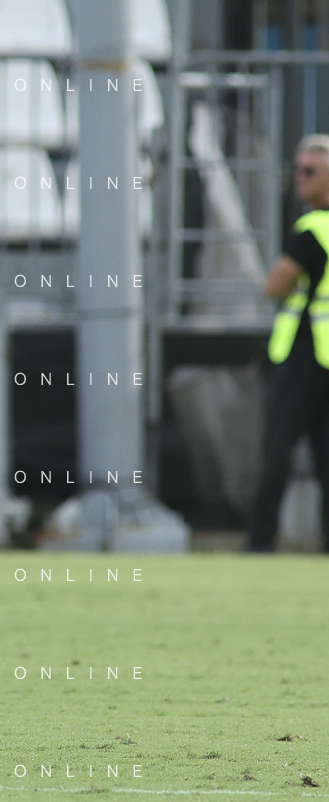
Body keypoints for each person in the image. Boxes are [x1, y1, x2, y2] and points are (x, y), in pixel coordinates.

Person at [247, 133, 329, 554]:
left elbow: (275, 286)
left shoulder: (312, 229)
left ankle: (260, 541)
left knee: (277, 448)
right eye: (296, 170)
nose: (299, 177)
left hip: (302, 354)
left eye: (309, 170)